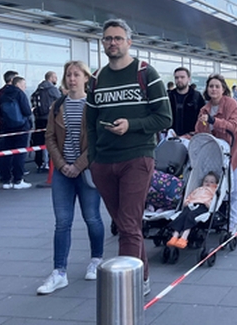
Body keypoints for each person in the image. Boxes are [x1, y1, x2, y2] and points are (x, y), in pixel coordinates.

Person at [85, 19, 172, 296]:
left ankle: (127, 288)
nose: (113, 43)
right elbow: (90, 122)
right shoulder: (97, 78)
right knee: (125, 225)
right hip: (104, 162)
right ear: (103, 43)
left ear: (129, 42)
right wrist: (94, 159)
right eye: (108, 38)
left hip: (137, 157)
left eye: (118, 38)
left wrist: (130, 125)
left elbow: (164, 117)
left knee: (129, 223)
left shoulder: (146, 73)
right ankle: (142, 276)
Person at [37, 61, 105, 295]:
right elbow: (49, 137)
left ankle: (96, 259)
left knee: (92, 218)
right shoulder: (58, 105)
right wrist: (62, 164)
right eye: (69, 75)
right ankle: (59, 272)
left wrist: (78, 164)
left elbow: (98, 139)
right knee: (62, 222)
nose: (72, 78)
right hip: (62, 173)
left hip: (86, 171)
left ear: (86, 78)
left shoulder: (93, 105)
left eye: (77, 74)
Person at [195, 74, 237, 233]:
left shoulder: (231, 104)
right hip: (219, 154)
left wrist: (213, 121)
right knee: (220, 188)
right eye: (211, 86)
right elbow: (200, 131)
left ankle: (233, 224)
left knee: (236, 190)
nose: (213, 89)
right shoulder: (204, 109)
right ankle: (217, 218)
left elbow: (233, 126)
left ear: (223, 89)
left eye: (217, 86)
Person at [0, 76, 33, 189]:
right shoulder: (20, 94)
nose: (25, 87)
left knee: (6, 154)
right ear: (18, 85)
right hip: (21, 127)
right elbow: (26, 111)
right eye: (24, 84)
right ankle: (18, 180)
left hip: (6, 128)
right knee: (20, 153)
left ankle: (6, 180)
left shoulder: (2, 94)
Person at [166, 172, 218, 249]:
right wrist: (187, 202)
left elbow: (214, 199)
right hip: (191, 204)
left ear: (215, 184)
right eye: (206, 181)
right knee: (182, 216)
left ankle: (184, 237)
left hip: (202, 205)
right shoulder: (197, 189)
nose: (208, 183)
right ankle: (175, 236)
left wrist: (209, 205)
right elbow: (190, 196)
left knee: (191, 216)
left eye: (211, 182)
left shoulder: (213, 190)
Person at [31, 71, 61, 172]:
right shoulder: (52, 90)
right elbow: (61, 102)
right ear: (51, 78)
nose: (56, 79)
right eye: (55, 77)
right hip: (49, 119)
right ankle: (49, 163)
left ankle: (40, 163)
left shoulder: (38, 90)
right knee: (51, 141)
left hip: (38, 119)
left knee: (39, 142)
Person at [168, 67, 205, 136]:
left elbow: (202, 117)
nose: (179, 80)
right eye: (176, 78)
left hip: (191, 137)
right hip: (171, 137)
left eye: (182, 77)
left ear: (189, 79)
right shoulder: (169, 96)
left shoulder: (196, 97)